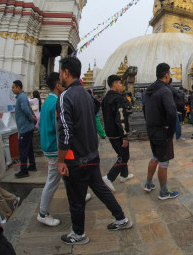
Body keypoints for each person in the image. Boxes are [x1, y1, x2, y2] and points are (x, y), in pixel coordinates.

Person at [57, 57, 132, 245]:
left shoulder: (66, 96)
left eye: (60, 72)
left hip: (76, 158)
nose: (60, 75)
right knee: (100, 189)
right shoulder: (87, 95)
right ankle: (121, 218)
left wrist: (61, 160)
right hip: (92, 154)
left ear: (66, 72)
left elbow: (65, 131)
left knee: (76, 198)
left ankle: (78, 234)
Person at [144, 63, 179, 200]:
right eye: (169, 73)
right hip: (162, 131)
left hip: (151, 129)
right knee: (163, 161)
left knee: (155, 157)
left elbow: (144, 109)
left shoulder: (149, 90)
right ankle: (164, 192)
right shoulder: (165, 91)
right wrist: (170, 130)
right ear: (166, 75)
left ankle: (148, 183)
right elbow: (171, 112)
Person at [37, 73, 68, 226]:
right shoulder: (56, 103)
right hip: (55, 147)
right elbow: (58, 129)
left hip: (48, 144)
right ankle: (43, 213)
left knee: (69, 174)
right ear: (57, 85)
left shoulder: (48, 101)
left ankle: (79, 195)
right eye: (63, 83)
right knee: (53, 181)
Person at [101, 75, 134, 193]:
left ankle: (124, 175)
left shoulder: (105, 98)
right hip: (119, 133)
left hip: (110, 132)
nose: (121, 86)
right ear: (114, 84)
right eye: (120, 83)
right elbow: (121, 119)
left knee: (121, 155)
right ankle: (109, 177)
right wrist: (125, 136)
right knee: (124, 157)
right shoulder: (118, 98)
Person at [12, 80, 37, 178]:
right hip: (27, 126)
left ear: (18, 87)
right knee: (29, 148)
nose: (12, 89)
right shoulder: (22, 97)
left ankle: (23, 170)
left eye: (13, 87)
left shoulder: (21, 98)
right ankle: (32, 165)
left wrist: (32, 118)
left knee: (22, 149)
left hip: (25, 127)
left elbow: (26, 110)